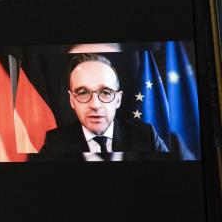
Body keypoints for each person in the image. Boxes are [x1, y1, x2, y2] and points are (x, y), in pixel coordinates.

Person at [40, 53, 169, 156]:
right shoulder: (55, 142)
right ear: (72, 100)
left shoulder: (146, 136)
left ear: (118, 100)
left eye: (106, 92)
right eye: (83, 92)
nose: (95, 105)